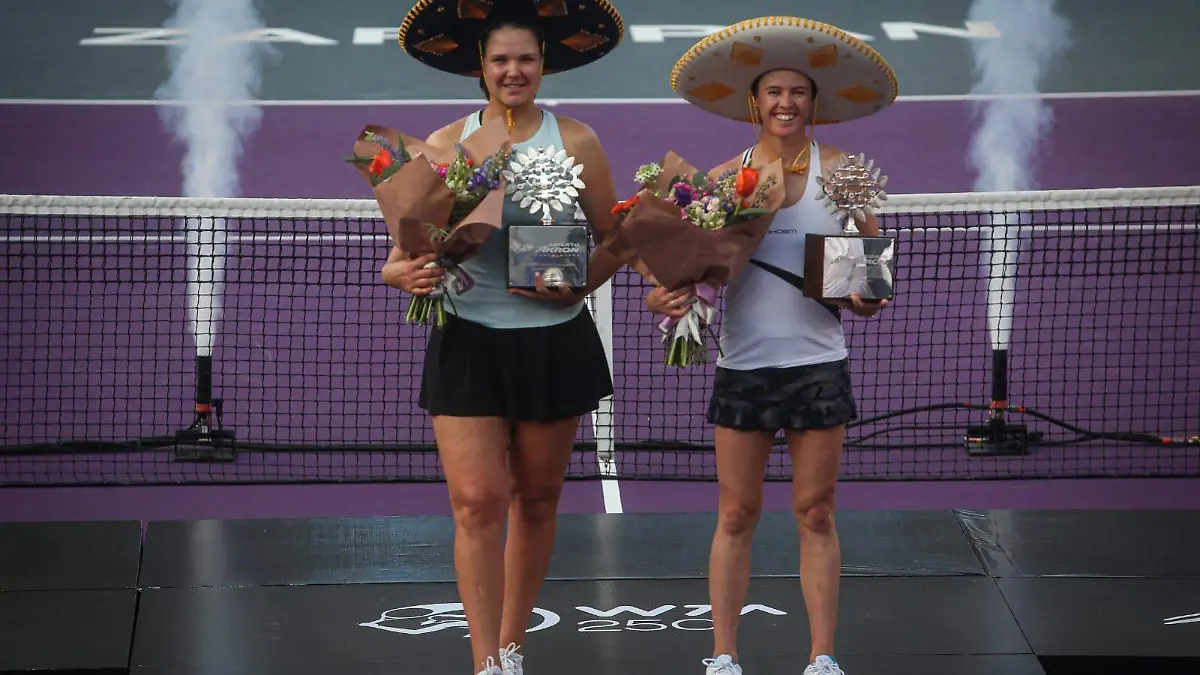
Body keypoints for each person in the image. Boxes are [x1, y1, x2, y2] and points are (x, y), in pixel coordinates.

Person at [381, 2, 634, 674]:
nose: (513, 70)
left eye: (525, 59)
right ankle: (483, 659)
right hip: (468, 338)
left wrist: (577, 282)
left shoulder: (576, 140)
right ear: (480, 69)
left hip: (554, 342)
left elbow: (615, 238)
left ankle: (514, 644)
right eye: (501, 60)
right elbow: (398, 255)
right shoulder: (442, 146)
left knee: (538, 497)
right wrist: (404, 272)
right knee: (475, 500)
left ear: (544, 65)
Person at [647, 16, 899, 675]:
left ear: (814, 103)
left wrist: (864, 288)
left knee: (816, 510)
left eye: (798, 93)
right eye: (774, 93)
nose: (785, 103)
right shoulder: (724, 178)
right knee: (736, 511)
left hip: (818, 365)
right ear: (753, 102)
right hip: (744, 365)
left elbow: (871, 280)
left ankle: (821, 656)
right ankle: (724, 654)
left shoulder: (843, 173)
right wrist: (667, 297)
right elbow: (684, 273)